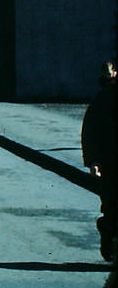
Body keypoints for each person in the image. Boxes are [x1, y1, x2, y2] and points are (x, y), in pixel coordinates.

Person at [82, 61, 117, 262]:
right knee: (112, 206)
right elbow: (91, 130)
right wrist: (93, 160)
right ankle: (108, 237)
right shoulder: (105, 97)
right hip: (111, 161)